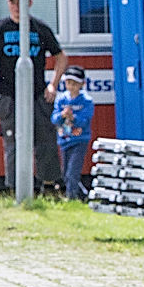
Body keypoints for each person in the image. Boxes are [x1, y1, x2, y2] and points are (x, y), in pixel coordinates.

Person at [0, 0, 66, 191]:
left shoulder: (39, 29)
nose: (16, 6)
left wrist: (53, 85)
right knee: (12, 143)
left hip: (37, 94)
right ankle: (15, 190)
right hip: (8, 96)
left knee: (45, 141)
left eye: (21, 2)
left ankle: (49, 187)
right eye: (13, 2)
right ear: (8, 4)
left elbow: (61, 57)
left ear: (29, 3)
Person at [50, 64, 94, 200]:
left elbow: (85, 121)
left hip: (80, 139)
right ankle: (83, 195)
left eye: (75, 84)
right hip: (64, 139)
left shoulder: (86, 101)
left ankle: (71, 198)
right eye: (69, 83)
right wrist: (62, 115)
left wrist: (73, 117)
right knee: (65, 173)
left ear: (82, 84)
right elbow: (54, 119)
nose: (71, 86)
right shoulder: (61, 99)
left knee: (72, 172)